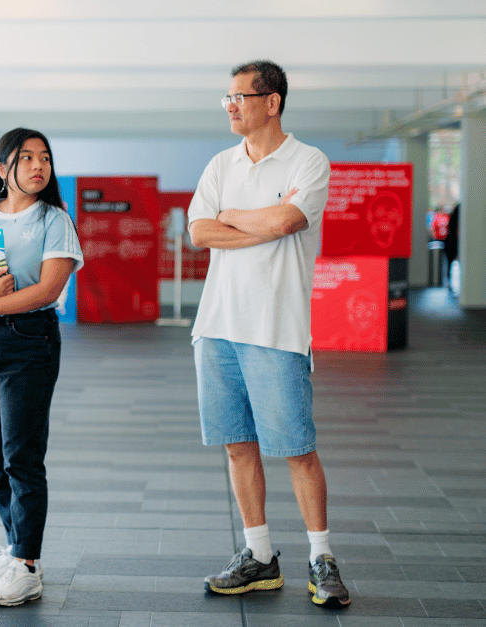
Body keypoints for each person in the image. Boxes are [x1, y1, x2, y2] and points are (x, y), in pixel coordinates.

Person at [187, 60, 350, 608]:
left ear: (272, 102)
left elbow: (288, 222)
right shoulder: (220, 163)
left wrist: (234, 217)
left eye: (240, 97)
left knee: (298, 450)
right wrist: (259, 219)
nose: (231, 106)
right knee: (238, 446)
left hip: (277, 331)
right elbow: (199, 231)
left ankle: (322, 559)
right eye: (228, 98)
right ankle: (259, 556)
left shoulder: (308, 160)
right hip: (217, 328)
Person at [0, 128, 83, 607]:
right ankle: (15, 546)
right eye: (26, 158)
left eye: (44, 157)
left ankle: (27, 565)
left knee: (21, 455)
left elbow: (48, 290)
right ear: (3, 168)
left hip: (29, 339)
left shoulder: (54, 220)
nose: (38, 165)